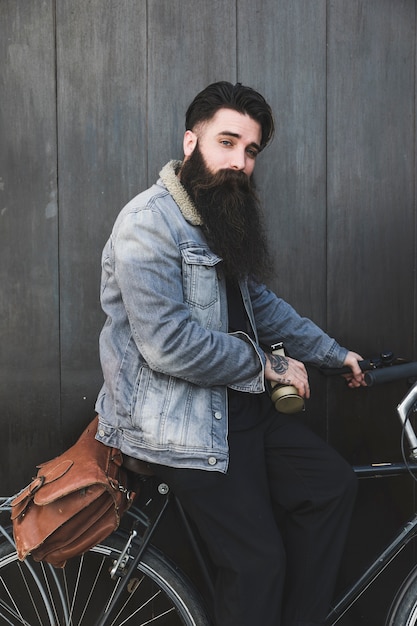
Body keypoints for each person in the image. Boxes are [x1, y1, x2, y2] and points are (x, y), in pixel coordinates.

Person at [95, 81, 365, 626]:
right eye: (227, 142)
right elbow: (167, 344)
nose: (240, 161)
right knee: (257, 565)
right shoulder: (148, 224)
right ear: (190, 143)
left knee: (331, 487)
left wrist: (334, 355)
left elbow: (260, 306)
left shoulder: (218, 216)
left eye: (251, 150)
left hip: (238, 412)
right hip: (181, 427)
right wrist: (265, 364)